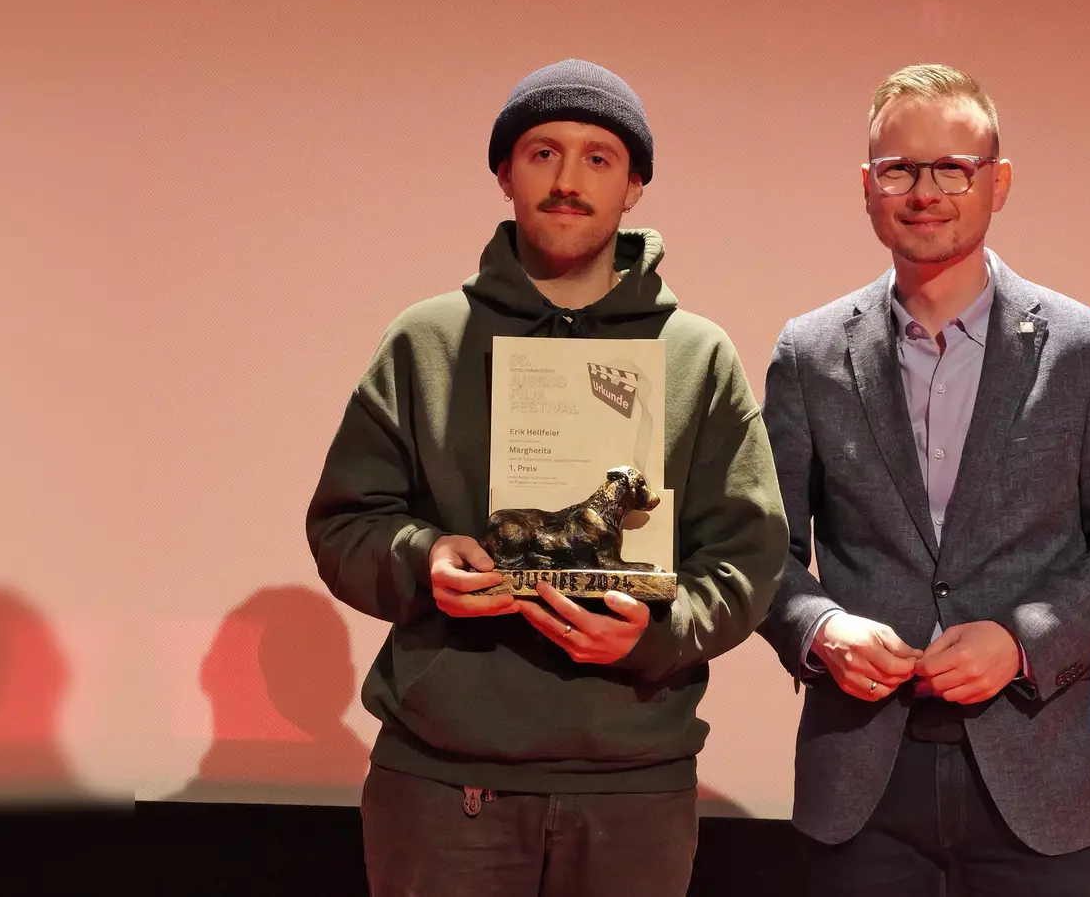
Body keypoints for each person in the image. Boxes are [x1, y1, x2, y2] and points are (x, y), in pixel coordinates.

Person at [306, 58, 788, 897]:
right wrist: (425, 558)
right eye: (542, 153)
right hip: (442, 784)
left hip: (635, 787)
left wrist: (656, 637)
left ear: (635, 184)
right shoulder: (425, 342)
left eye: (599, 158)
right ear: (504, 172)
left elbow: (748, 556)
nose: (568, 181)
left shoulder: (695, 358)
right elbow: (344, 526)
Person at [755, 63, 1090, 896]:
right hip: (859, 780)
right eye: (899, 169)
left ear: (998, 183)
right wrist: (821, 628)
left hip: (1036, 778)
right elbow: (760, 552)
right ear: (868, 187)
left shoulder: (1086, 352)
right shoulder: (808, 355)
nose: (925, 190)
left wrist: (1023, 640)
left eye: (953, 167)